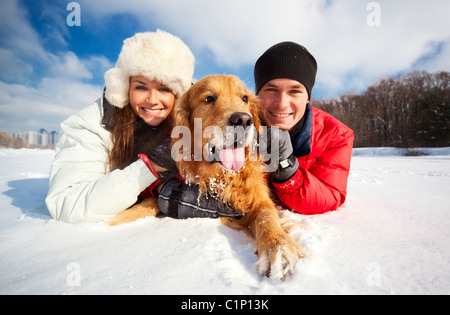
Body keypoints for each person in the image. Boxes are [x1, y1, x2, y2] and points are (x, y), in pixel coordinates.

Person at [46, 31, 240, 223]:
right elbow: (67, 204)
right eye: (141, 87)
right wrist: (152, 166)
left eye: (164, 89)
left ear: (177, 94)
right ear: (124, 88)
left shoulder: (193, 119)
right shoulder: (91, 125)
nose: (153, 100)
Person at [254, 41, 354, 215]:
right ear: (257, 95)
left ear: (308, 97)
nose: (281, 103)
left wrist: (287, 170)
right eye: (271, 89)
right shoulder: (237, 121)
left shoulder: (335, 135)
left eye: (294, 91)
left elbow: (331, 196)